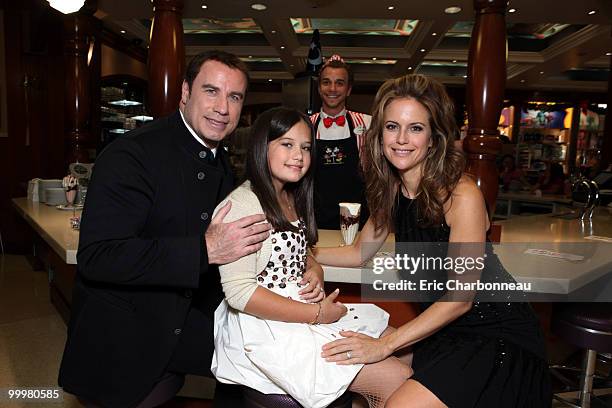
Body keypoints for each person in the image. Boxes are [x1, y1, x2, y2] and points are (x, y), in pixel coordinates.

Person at [314, 74, 551, 407]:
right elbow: (358, 252)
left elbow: (460, 299)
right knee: (346, 366)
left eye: (415, 128)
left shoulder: (461, 195)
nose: (401, 139)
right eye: (392, 126)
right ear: (379, 133)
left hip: (496, 338)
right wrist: (307, 253)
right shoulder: (392, 189)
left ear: (434, 137)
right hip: (446, 333)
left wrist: (386, 345)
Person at [58, 51, 272, 408]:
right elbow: (98, 257)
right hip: (126, 333)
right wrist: (204, 250)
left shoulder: (219, 162)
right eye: (211, 91)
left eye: (234, 97)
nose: (223, 107)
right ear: (185, 93)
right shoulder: (132, 154)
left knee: (273, 366)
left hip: (184, 317)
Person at [211, 107, 412, 408]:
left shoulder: (288, 195)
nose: (299, 155)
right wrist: (318, 315)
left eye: (305, 147)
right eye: (287, 144)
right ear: (261, 146)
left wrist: (314, 268)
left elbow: (299, 250)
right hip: (267, 327)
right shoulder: (242, 205)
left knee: (402, 343)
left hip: (300, 311)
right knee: (399, 377)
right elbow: (240, 293)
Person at [310, 55, 371, 229]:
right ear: (319, 88)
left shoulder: (367, 123)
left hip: (358, 216)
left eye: (340, 83)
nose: (332, 88)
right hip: (316, 216)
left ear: (349, 89)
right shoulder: (305, 125)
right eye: (326, 82)